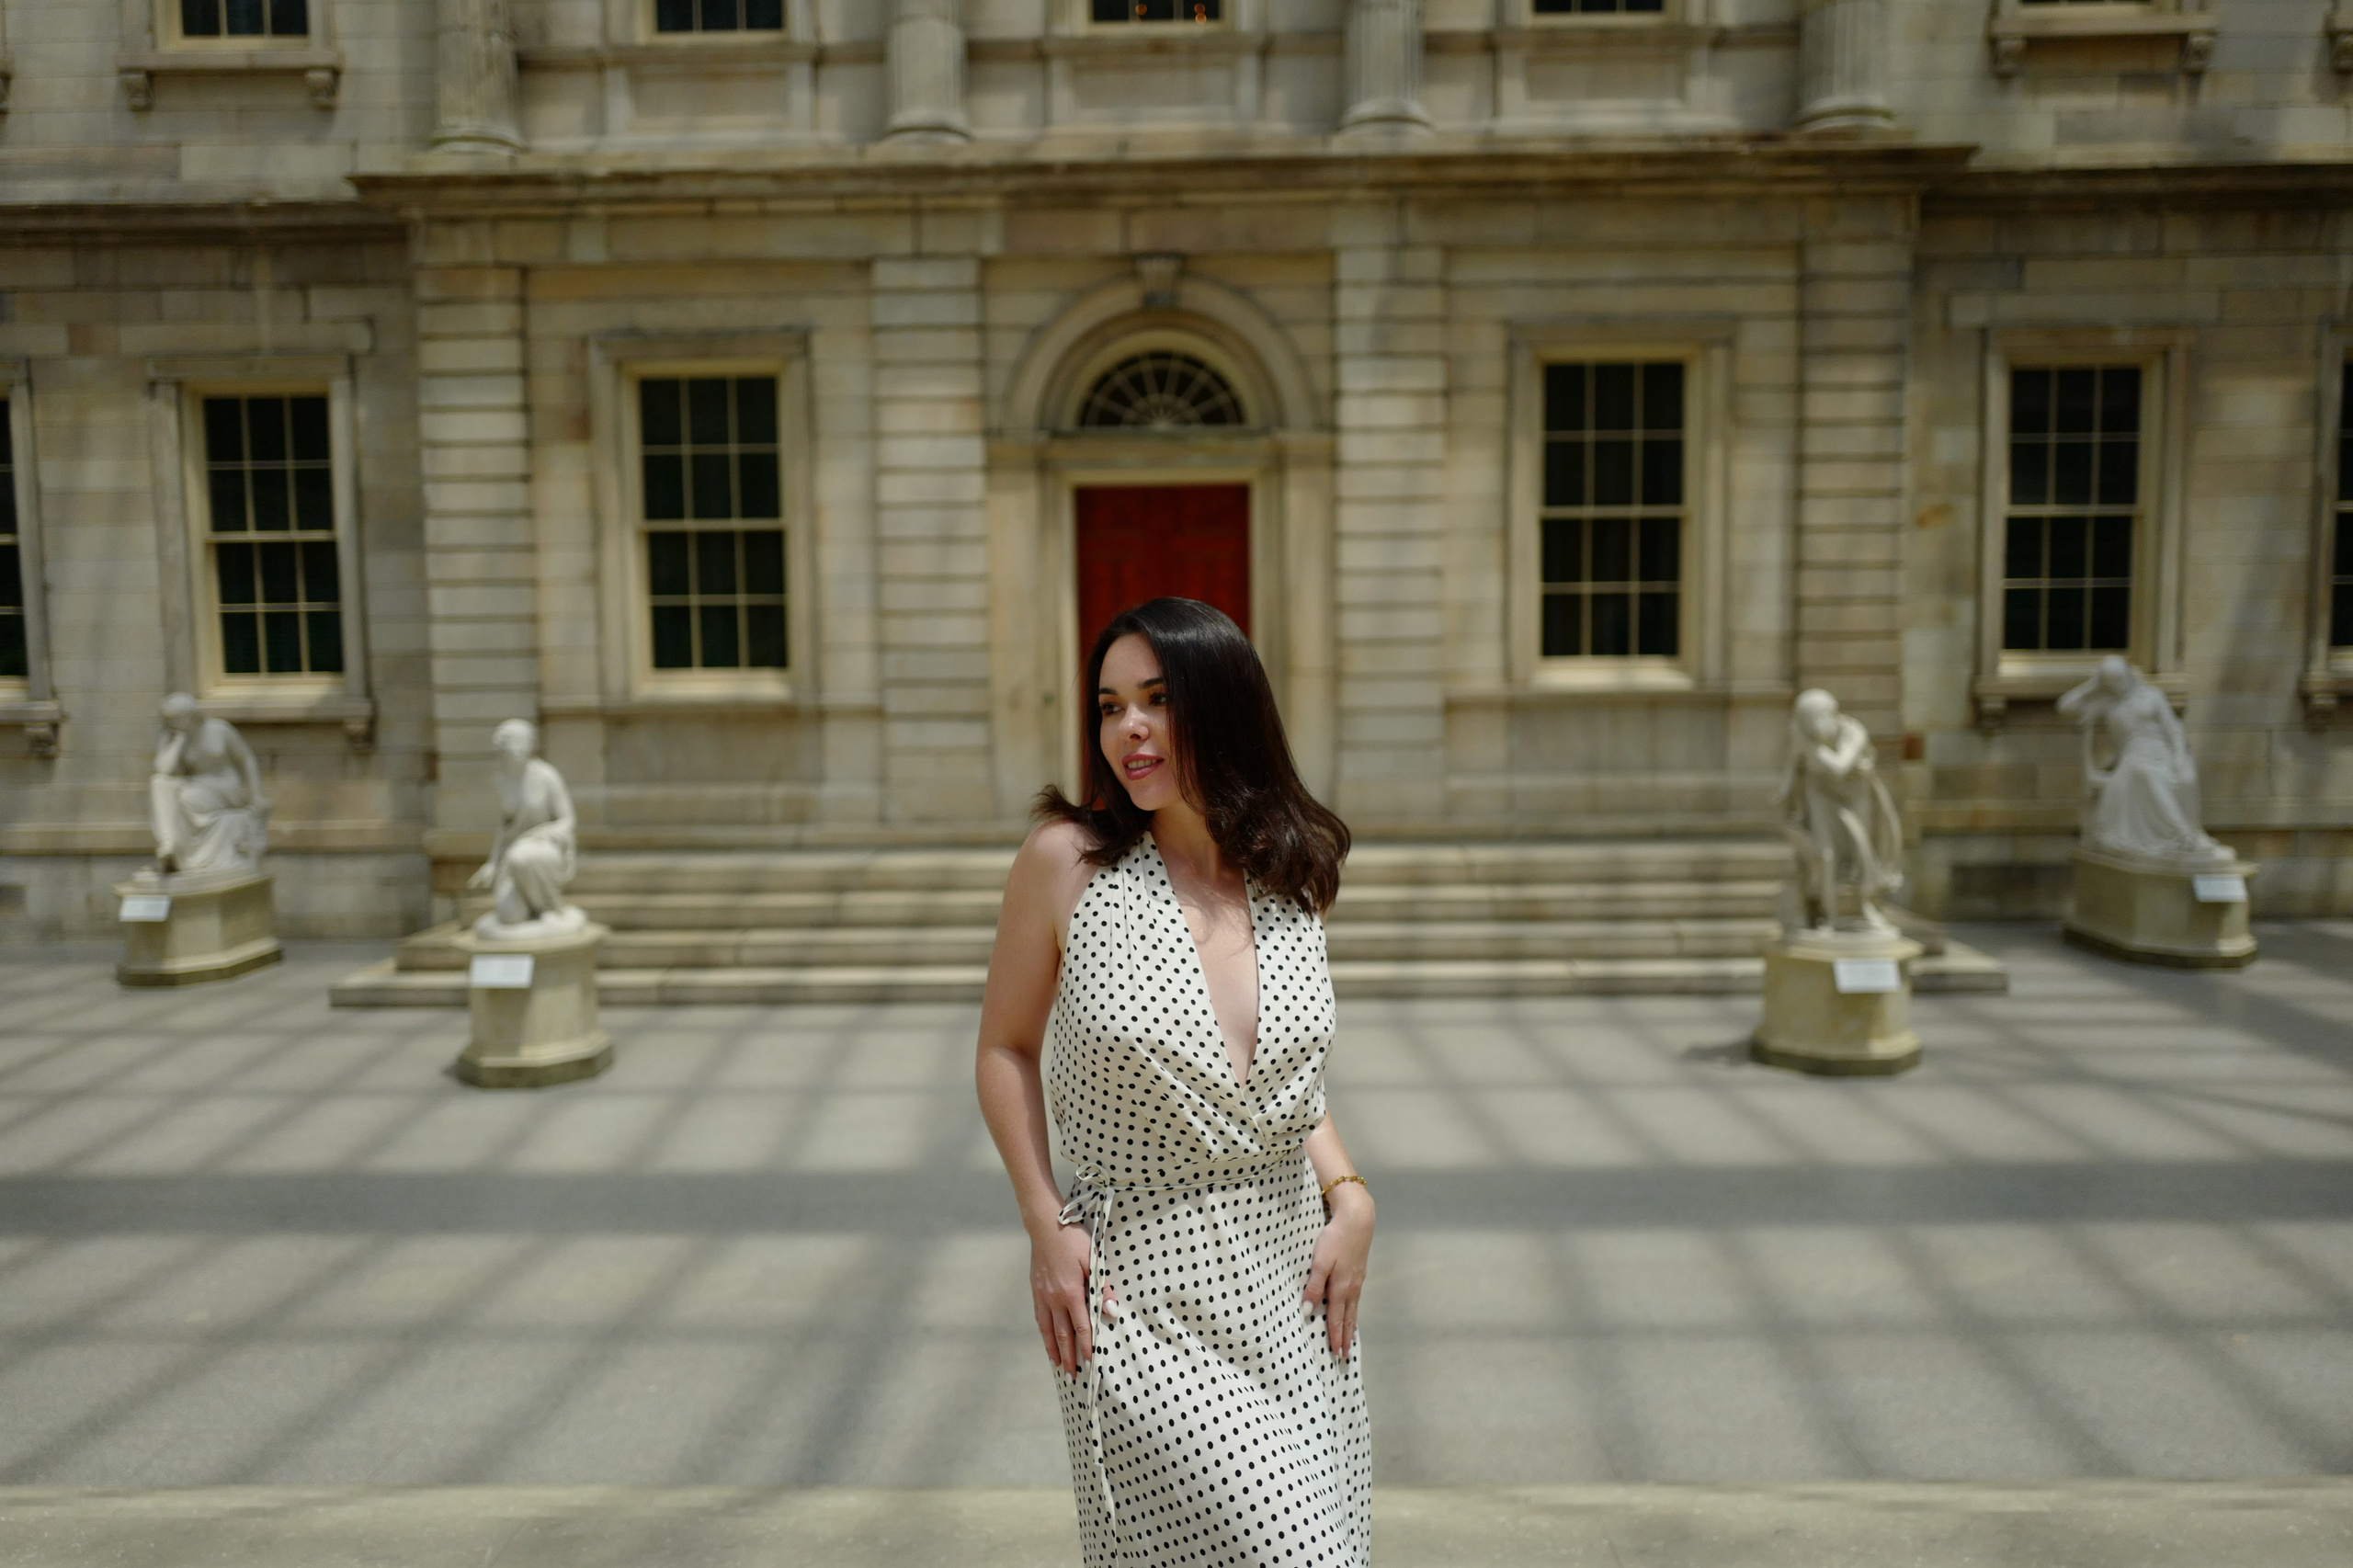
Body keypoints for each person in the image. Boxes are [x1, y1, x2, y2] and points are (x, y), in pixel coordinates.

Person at [975, 597, 1372, 1568]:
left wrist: (1350, 1193)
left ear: (1223, 705)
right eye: (1109, 706)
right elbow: (1003, 1048)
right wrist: (1043, 1222)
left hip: (1291, 1287)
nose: (1128, 729)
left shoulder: (1286, 873)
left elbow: (1284, 1085)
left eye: (1156, 699)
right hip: (1137, 1292)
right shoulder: (1065, 863)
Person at [2056, 655, 2227, 864]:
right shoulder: (2106, 704)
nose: (2118, 686)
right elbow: (2065, 706)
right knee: (2144, 773)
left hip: (2162, 752)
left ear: (2128, 675)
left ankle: (2191, 833)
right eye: (2111, 682)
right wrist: (2092, 685)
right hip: (2132, 756)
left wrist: (2180, 757)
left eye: (2120, 680)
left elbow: (2173, 729)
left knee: (2183, 777)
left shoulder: (2152, 696)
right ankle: (2180, 834)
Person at [1775, 687, 1904, 932]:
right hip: (1820, 796)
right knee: (1825, 854)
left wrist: (1812, 750)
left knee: (1861, 849)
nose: (1812, 726)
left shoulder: (1852, 731)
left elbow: (1840, 767)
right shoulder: (1804, 739)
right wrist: (1787, 810)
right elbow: (1791, 777)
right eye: (1806, 720)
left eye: (1815, 718)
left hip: (1854, 799)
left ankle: (1866, 906)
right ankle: (1828, 915)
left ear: (1830, 714)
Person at [465, 718, 584, 937]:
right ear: (501, 746)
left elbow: (567, 820)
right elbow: (503, 826)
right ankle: (530, 907)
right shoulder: (501, 780)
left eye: (524, 741)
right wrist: (491, 863)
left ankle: (550, 907)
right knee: (510, 917)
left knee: (521, 857)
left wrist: (541, 835)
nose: (519, 747)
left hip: (544, 847)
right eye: (513, 741)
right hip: (511, 853)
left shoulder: (546, 775)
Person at [148, 693, 267, 875]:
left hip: (225, 786)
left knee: (188, 797)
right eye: (167, 720)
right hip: (196, 784)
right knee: (159, 783)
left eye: (173, 719)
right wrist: (179, 740)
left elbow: (246, 759)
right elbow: (164, 769)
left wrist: (256, 794)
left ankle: (187, 850)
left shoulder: (220, 729)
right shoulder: (173, 736)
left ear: (189, 716)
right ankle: (169, 843)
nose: (168, 723)